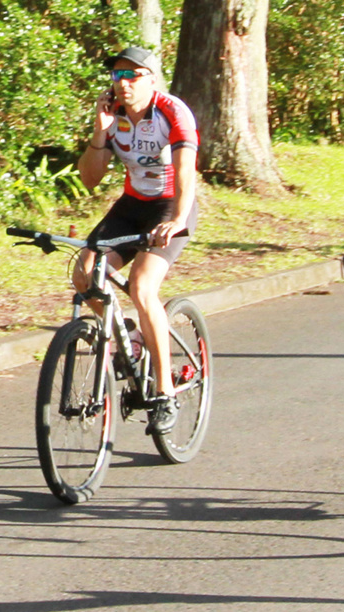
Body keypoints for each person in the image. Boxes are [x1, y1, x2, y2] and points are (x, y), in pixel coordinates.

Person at [74, 46, 199, 435]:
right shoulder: (114, 115)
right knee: (84, 273)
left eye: (132, 76)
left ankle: (164, 393)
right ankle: (128, 336)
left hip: (169, 206)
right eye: (117, 76)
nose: (123, 84)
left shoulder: (172, 111)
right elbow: (90, 179)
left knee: (143, 287)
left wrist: (177, 218)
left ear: (151, 79)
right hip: (132, 204)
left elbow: (186, 172)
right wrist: (100, 130)